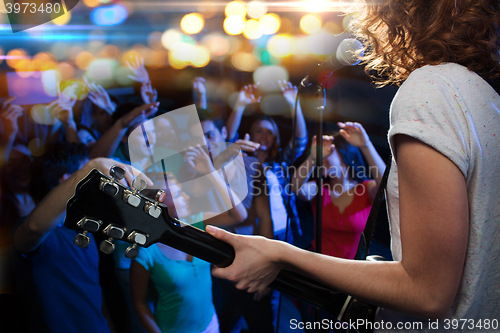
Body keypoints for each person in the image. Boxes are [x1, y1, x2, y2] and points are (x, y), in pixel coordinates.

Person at [205, 0, 500, 331]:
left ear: (397, 13)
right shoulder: (483, 96)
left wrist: (281, 255)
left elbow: (428, 293)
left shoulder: (429, 89)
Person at [11, 144, 133, 333]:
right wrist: (88, 170)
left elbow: (92, 291)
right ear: (70, 181)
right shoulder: (42, 232)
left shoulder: (84, 229)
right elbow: (33, 227)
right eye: (89, 176)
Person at [178, 111, 275, 333]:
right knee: (222, 323)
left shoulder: (251, 166)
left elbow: (265, 218)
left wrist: (268, 264)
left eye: (210, 135)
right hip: (211, 265)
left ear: (224, 133)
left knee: (261, 324)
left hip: (249, 261)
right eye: (197, 138)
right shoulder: (188, 175)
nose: (204, 143)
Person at [130, 173, 220, 333]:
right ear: (160, 203)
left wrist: (210, 170)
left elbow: (239, 215)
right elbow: (139, 302)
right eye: (179, 194)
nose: (186, 197)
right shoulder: (146, 252)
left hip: (211, 324)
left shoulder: (196, 225)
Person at [225, 80, 307, 243]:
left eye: (269, 132)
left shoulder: (280, 164)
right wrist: (240, 104)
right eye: (259, 130)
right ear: (251, 134)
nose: (263, 135)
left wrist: (293, 104)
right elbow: (227, 139)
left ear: (275, 138)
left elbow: (301, 140)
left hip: (284, 231)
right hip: (252, 232)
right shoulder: (241, 163)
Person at [292, 123, 386, 260]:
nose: (321, 158)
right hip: (318, 265)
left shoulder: (366, 189)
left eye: (327, 152)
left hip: (352, 269)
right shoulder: (319, 188)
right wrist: (312, 158)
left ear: (343, 155)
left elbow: (386, 186)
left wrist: (366, 145)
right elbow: (295, 187)